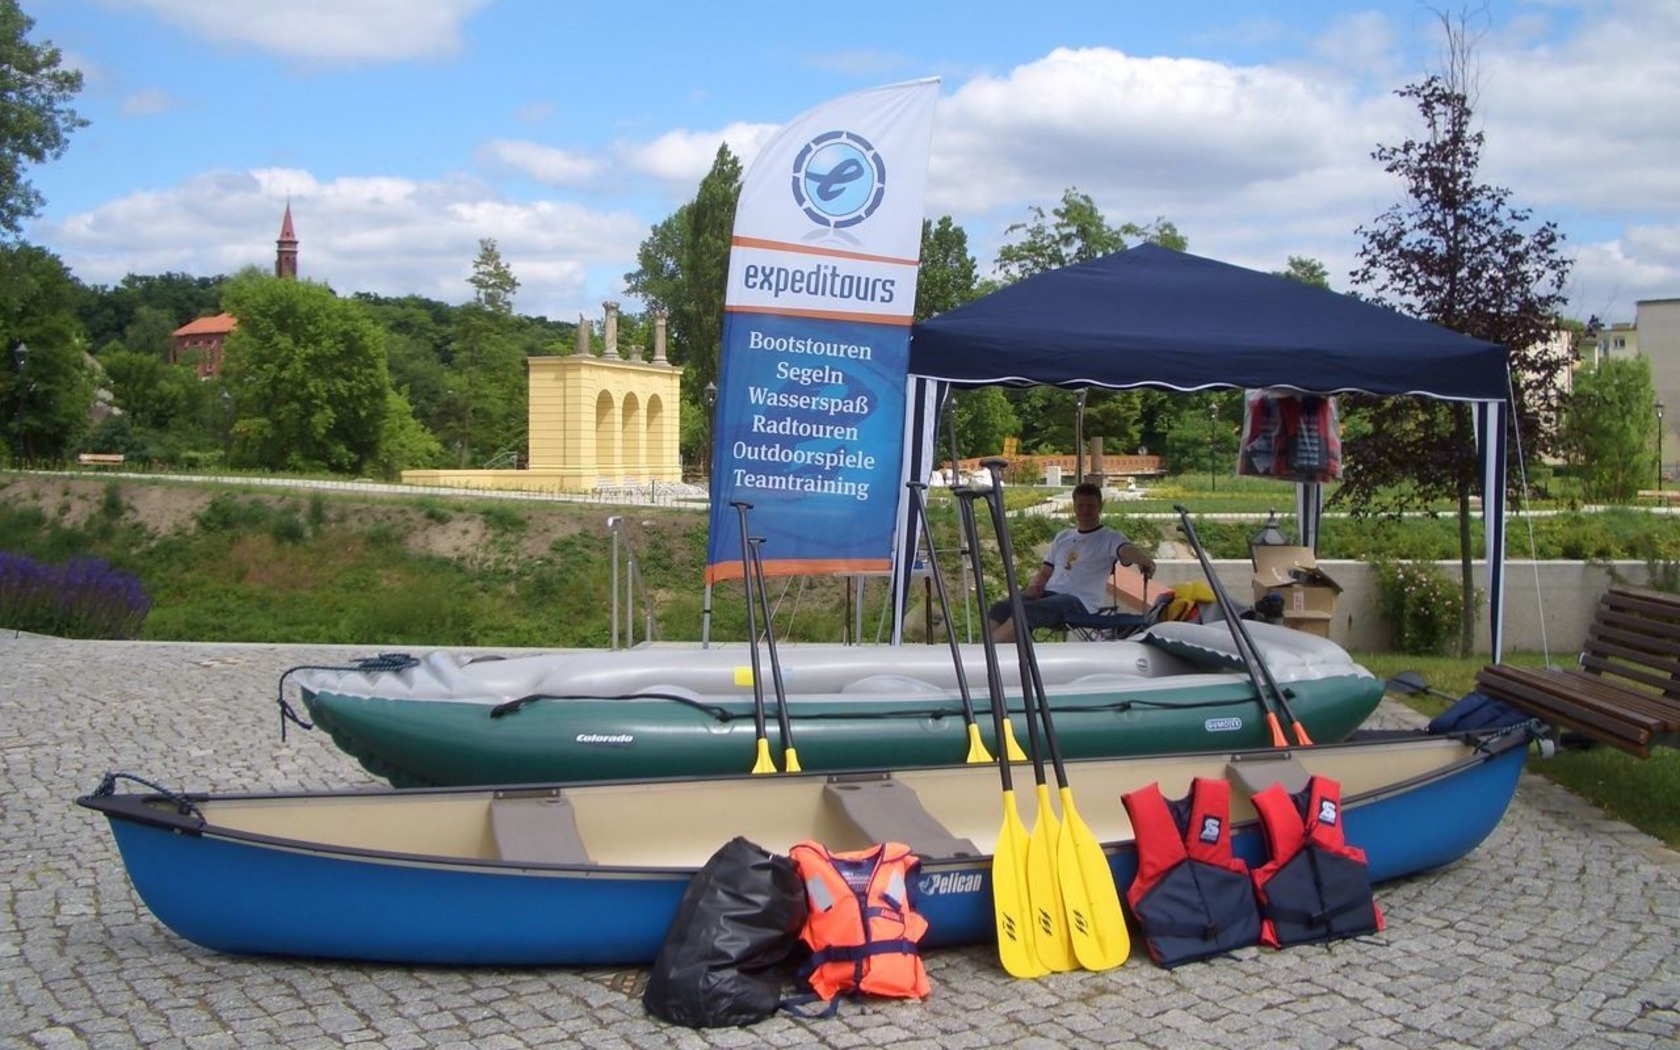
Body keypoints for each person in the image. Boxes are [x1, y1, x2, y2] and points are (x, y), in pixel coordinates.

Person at [989, 481, 1156, 642]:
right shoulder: (1063, 537)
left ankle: (987, 653)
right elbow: (1045, 571)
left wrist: (1143, 559)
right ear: (1074, 507)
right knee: (1001, 608)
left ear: (1100, 507)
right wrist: (1035, 585)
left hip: (1079, 603)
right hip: (1049, 595)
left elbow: (1126, 550)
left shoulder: (1110, 537)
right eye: (1081, 506)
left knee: (1027, 611)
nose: (1085, 511)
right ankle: (987, 649)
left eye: (1090, 506)